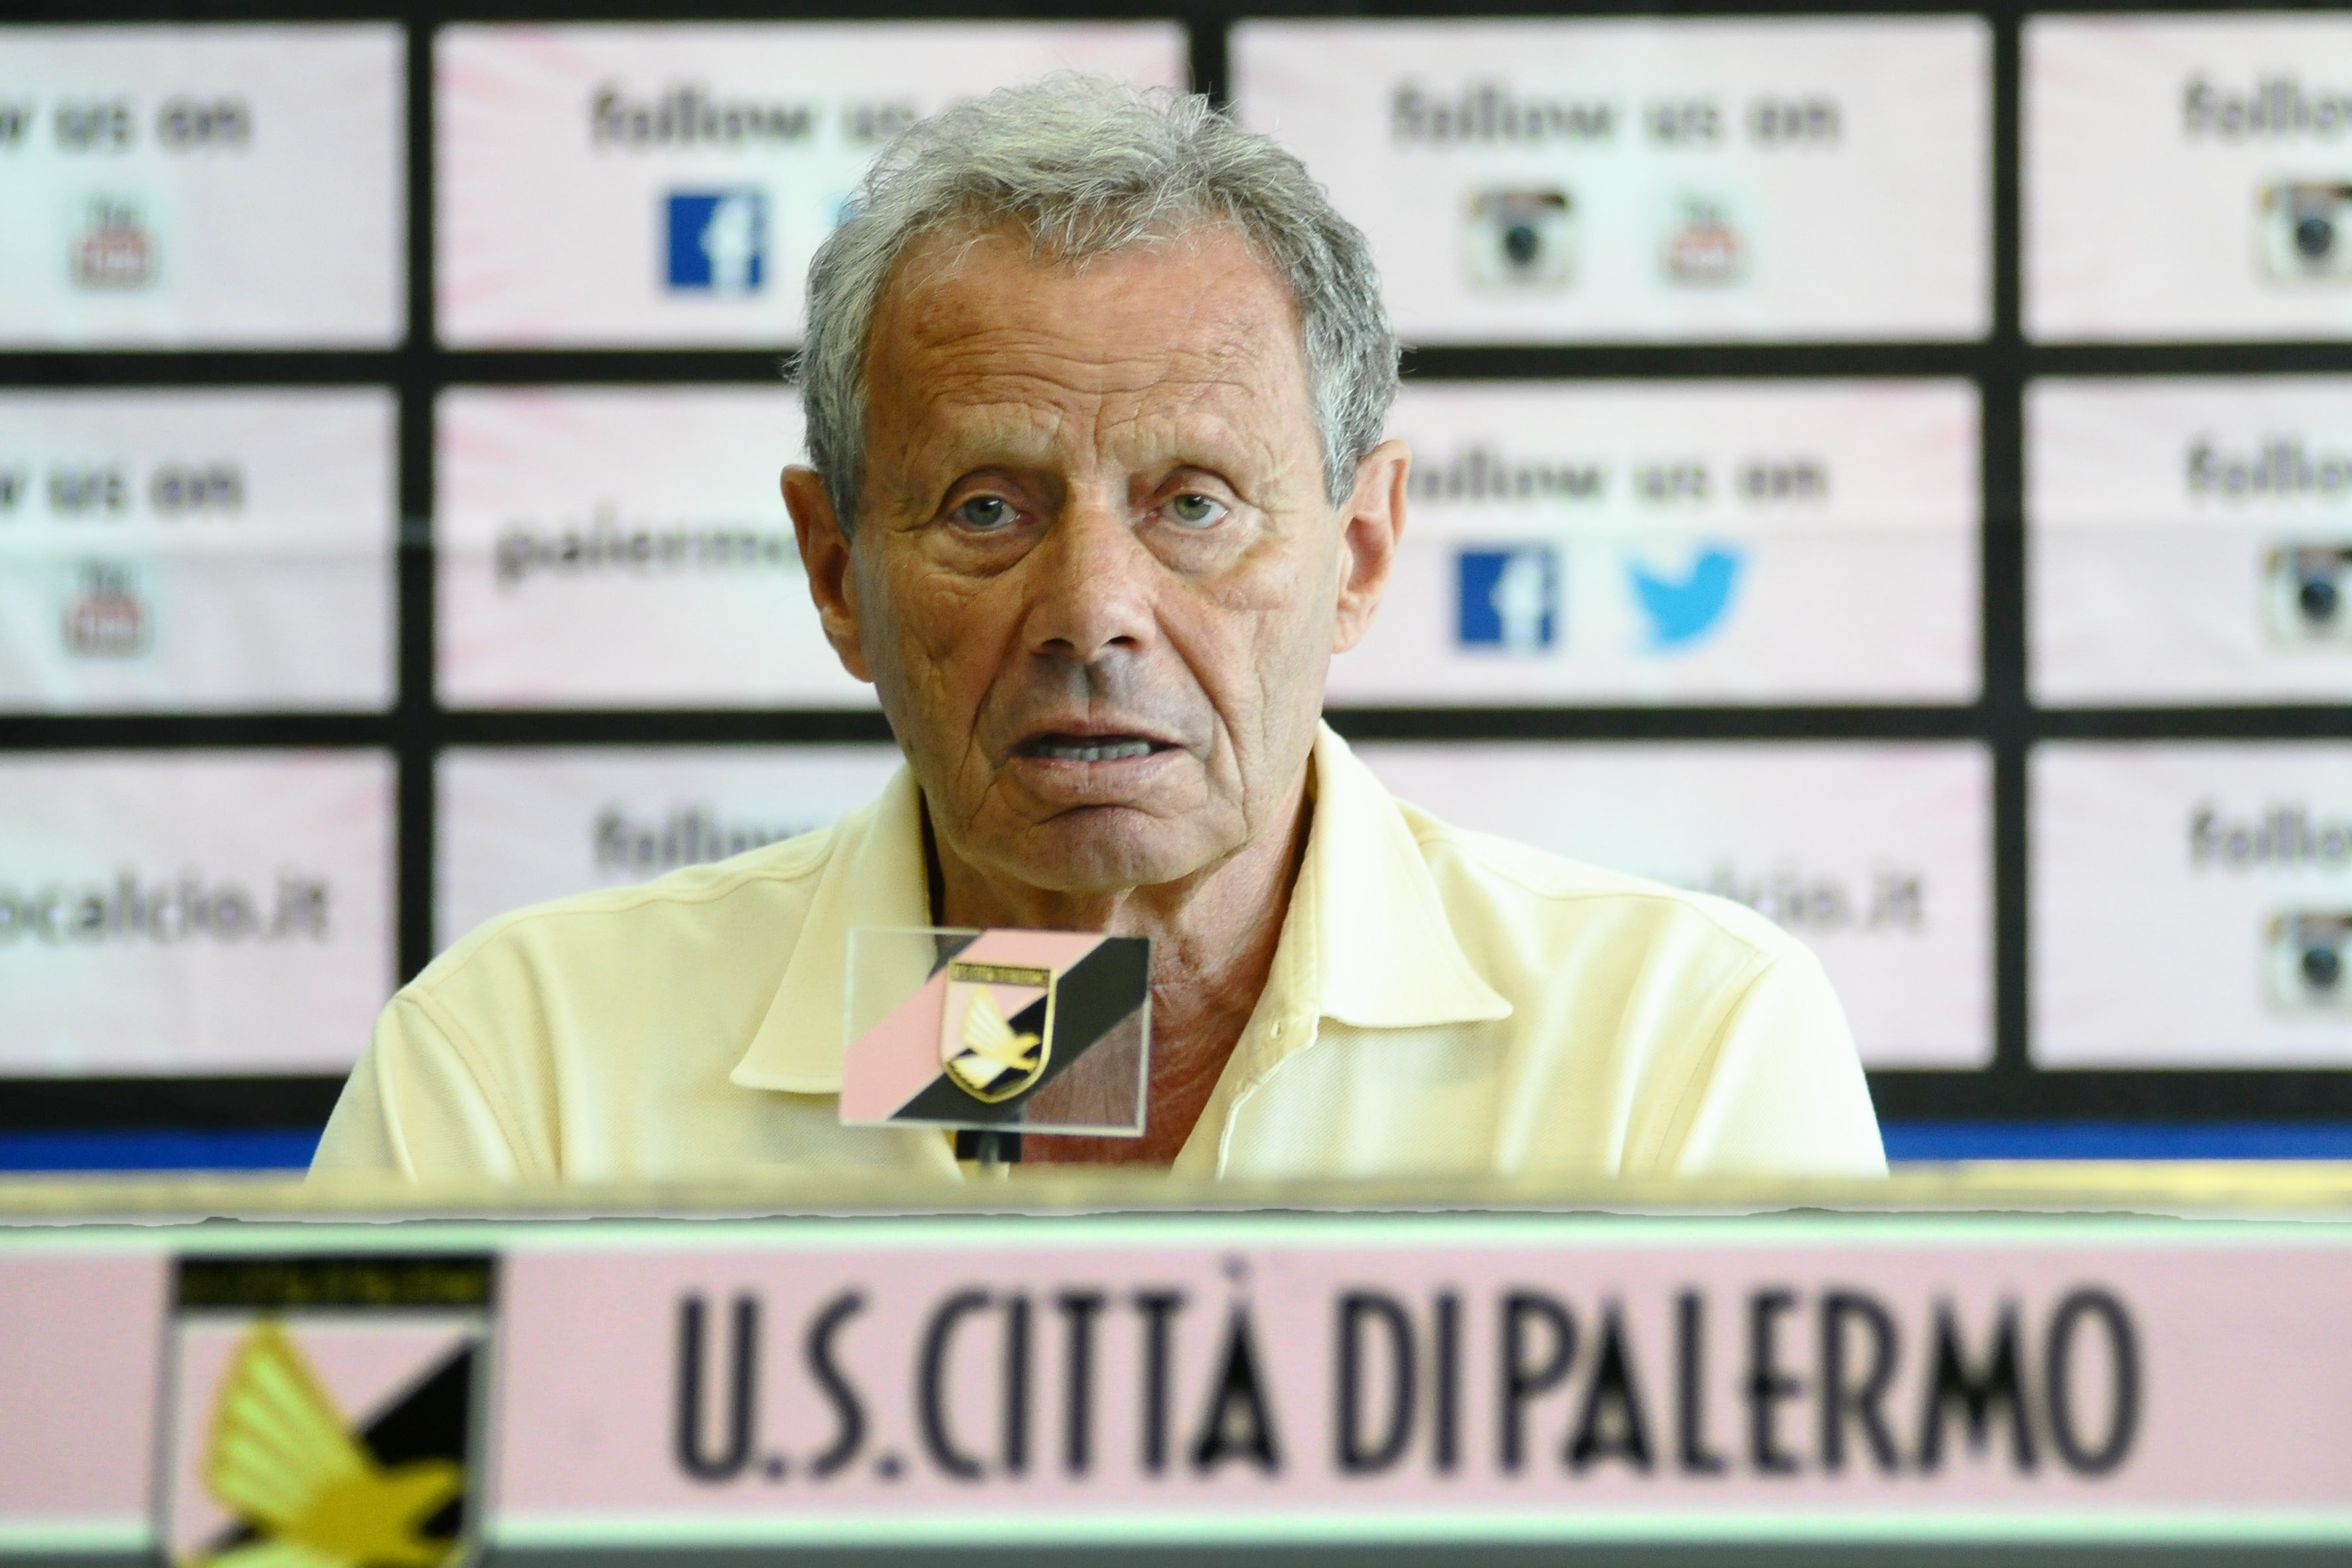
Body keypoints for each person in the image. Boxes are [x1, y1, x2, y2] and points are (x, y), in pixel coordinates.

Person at [312, 78, 1884, 1184]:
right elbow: (322, 1522)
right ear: (837, 571)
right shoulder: (523, 1070)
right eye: (987, 507)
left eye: (1192, 502)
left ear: (1357, 550)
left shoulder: (1673, 1050)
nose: (1090, 613)